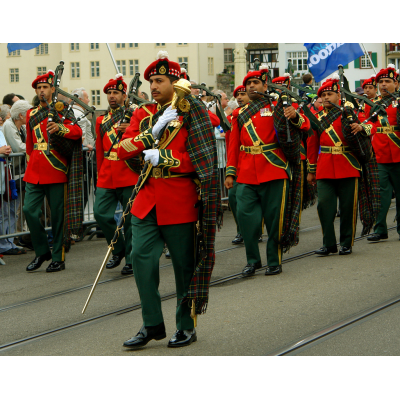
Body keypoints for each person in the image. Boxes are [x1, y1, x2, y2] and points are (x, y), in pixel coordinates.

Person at [117, 50, 220, 349]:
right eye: (151, 82)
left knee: (184, 268)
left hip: (179, 198)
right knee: (141, 262)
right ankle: (151, 324)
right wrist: (153, 133)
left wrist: (166, 157)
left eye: (159, 81)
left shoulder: (194, 111)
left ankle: (185, 325)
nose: (153, 86)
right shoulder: (144, 114)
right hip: (147, 200)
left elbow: (202, 159)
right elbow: (123, 149)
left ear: (176, 83)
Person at [225, 65, 310, 277]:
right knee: (247, 219)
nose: (251, 87)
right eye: (248, 84)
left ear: (265, 85)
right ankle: (252, 260)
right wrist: (230, 172)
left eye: (255, 83)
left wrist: (294, 115)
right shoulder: (239, 113)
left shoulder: (278, 106)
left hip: (274, 169)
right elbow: (233, 144)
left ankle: (274, 260)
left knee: (275, 220)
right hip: (245, 173)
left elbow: (305, 126)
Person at [307, 74, 375, 256]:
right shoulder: (317, 117)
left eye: (330, 94)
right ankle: (328, 243)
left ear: (338, 95)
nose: (326, 97)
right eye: (323, 95)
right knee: (324, 207)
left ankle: (346, 242)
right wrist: (311, 169)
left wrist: (361, 128)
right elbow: (312, 145)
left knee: (347, 208)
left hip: (348, 165)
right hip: (325, 167)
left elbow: (371, 126)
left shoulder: (348, 112)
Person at [23, 70, 83, 272]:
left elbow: (77, 131)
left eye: (45, 87)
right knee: (29, 211)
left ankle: (58, 256)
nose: (41, 91)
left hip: (55, 167)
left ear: (52, 89)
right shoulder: (31, 113)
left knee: (58, 217)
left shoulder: (61, 109)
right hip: (35, 170)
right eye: (38, 88)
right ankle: (42, 252)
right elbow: (30, 145)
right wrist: (30, 165)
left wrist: (60, 128)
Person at [93, 74, 139, 275]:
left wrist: (130, 129)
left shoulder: (133, 116)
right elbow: (98, 150)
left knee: (129, 219)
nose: (112, 96)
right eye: (109, 93)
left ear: (124, 95)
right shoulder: (101, 120)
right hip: (107, 174)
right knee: (100, 213)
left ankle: (130, 258)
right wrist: (99, 174)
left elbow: (142, 139)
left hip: (127, 171)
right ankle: (118, 248)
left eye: (116, 93)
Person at [366, 65, 400, 242]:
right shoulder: (374, 104)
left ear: (396, 83)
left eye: (388, 81)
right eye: (381, 82)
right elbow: (368, 124)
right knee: (380, 194)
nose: (384, 85)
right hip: (380, 156)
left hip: (399, 154)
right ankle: (380, 229)